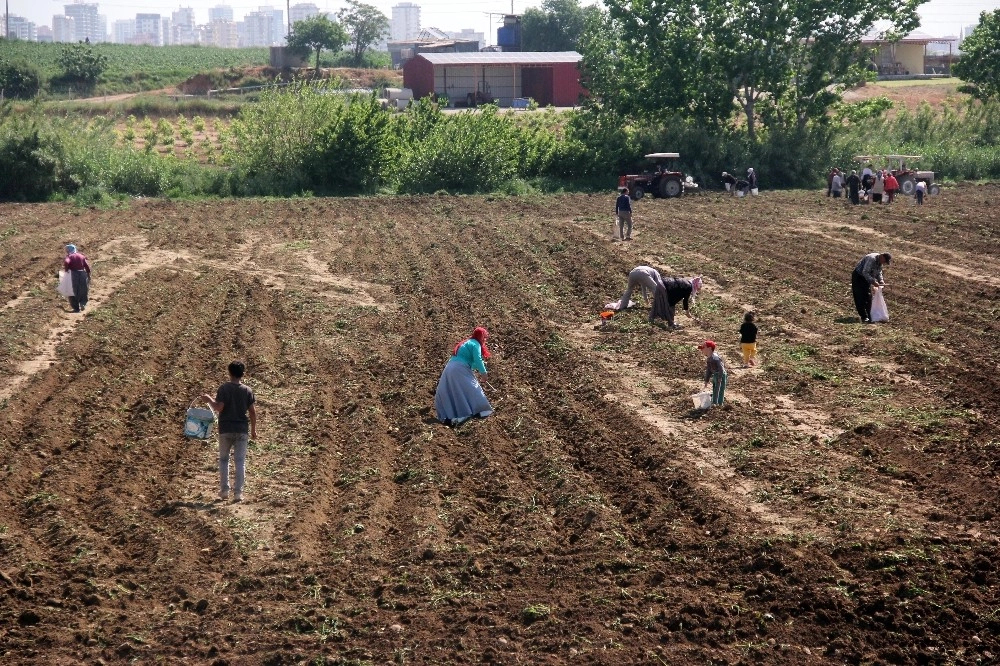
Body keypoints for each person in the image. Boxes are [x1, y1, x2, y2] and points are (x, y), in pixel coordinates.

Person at [200, 360, 257, 502]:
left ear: (229, 372)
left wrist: (208, 400)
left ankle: (224, 491)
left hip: (225, 429)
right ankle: (238, 493)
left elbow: (219, 408)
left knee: (224, 460)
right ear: (242, 374)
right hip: (242, 430)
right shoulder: (247, 390)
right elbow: (252, 413)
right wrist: (254, 430)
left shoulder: (224, 388)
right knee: (240, 461)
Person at [434, 327, 494, 426]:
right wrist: (484, 373)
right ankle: (482, 410)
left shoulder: (466, 343)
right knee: (472, 387)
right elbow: (477, 359)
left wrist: (477, 369)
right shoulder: (475, 343)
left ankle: (454, 416)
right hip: (459, 368)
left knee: (454, 390)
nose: (485, 340)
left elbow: (471, 362)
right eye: (484, 337)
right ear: (481, 336)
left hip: (449, 368)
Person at [851, 252, 891, 324]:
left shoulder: (880, 263)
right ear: (881, 256)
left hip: (866, 278)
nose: (884, 263)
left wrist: (881, 281)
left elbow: (879, 273)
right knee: (860, 296)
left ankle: (870, 316)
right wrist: (873, 282)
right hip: (859, 277)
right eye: (884, 261)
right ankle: (864, 317)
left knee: (868, 297)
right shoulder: (871, 259)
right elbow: (865, 272)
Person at [63, 244, 92, 313]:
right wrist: (88, 274)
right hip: (82, 273)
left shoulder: (69, 256)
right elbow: (86, 266)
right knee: (83, 289)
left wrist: (66, 270)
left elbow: (67, 262)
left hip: (73, 274)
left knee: (72, 291)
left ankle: (76, 308)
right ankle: (82, 303)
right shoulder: (81, 256)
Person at [699, 340, 727, 407]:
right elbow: (708, 370)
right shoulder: (709, 358)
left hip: (721, 375)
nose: (701, 350)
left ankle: (718, 404)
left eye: (703, 348)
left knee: (719, 389)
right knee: (715, 389)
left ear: (709, 348)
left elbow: (721, 368)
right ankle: (714, 402)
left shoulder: (716, 358)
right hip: (715, 375)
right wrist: (706, 380)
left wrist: (720, 377)